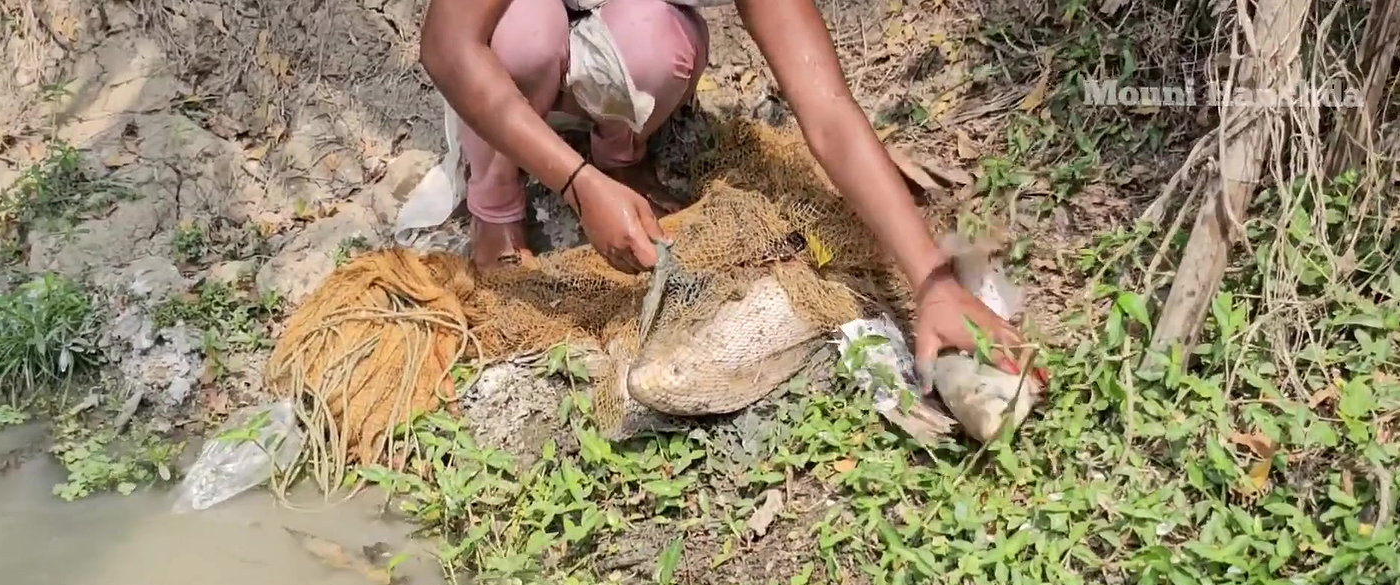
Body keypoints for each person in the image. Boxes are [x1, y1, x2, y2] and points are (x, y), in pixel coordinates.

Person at [418, 0, 1044, 390]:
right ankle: (495, 202)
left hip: (621, 36)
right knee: (523, 38)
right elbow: (447, 46)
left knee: (656, 42)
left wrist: (933, 282)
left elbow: (826, 111)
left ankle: (623, 158)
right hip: (513, 45)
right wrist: (577, 186)